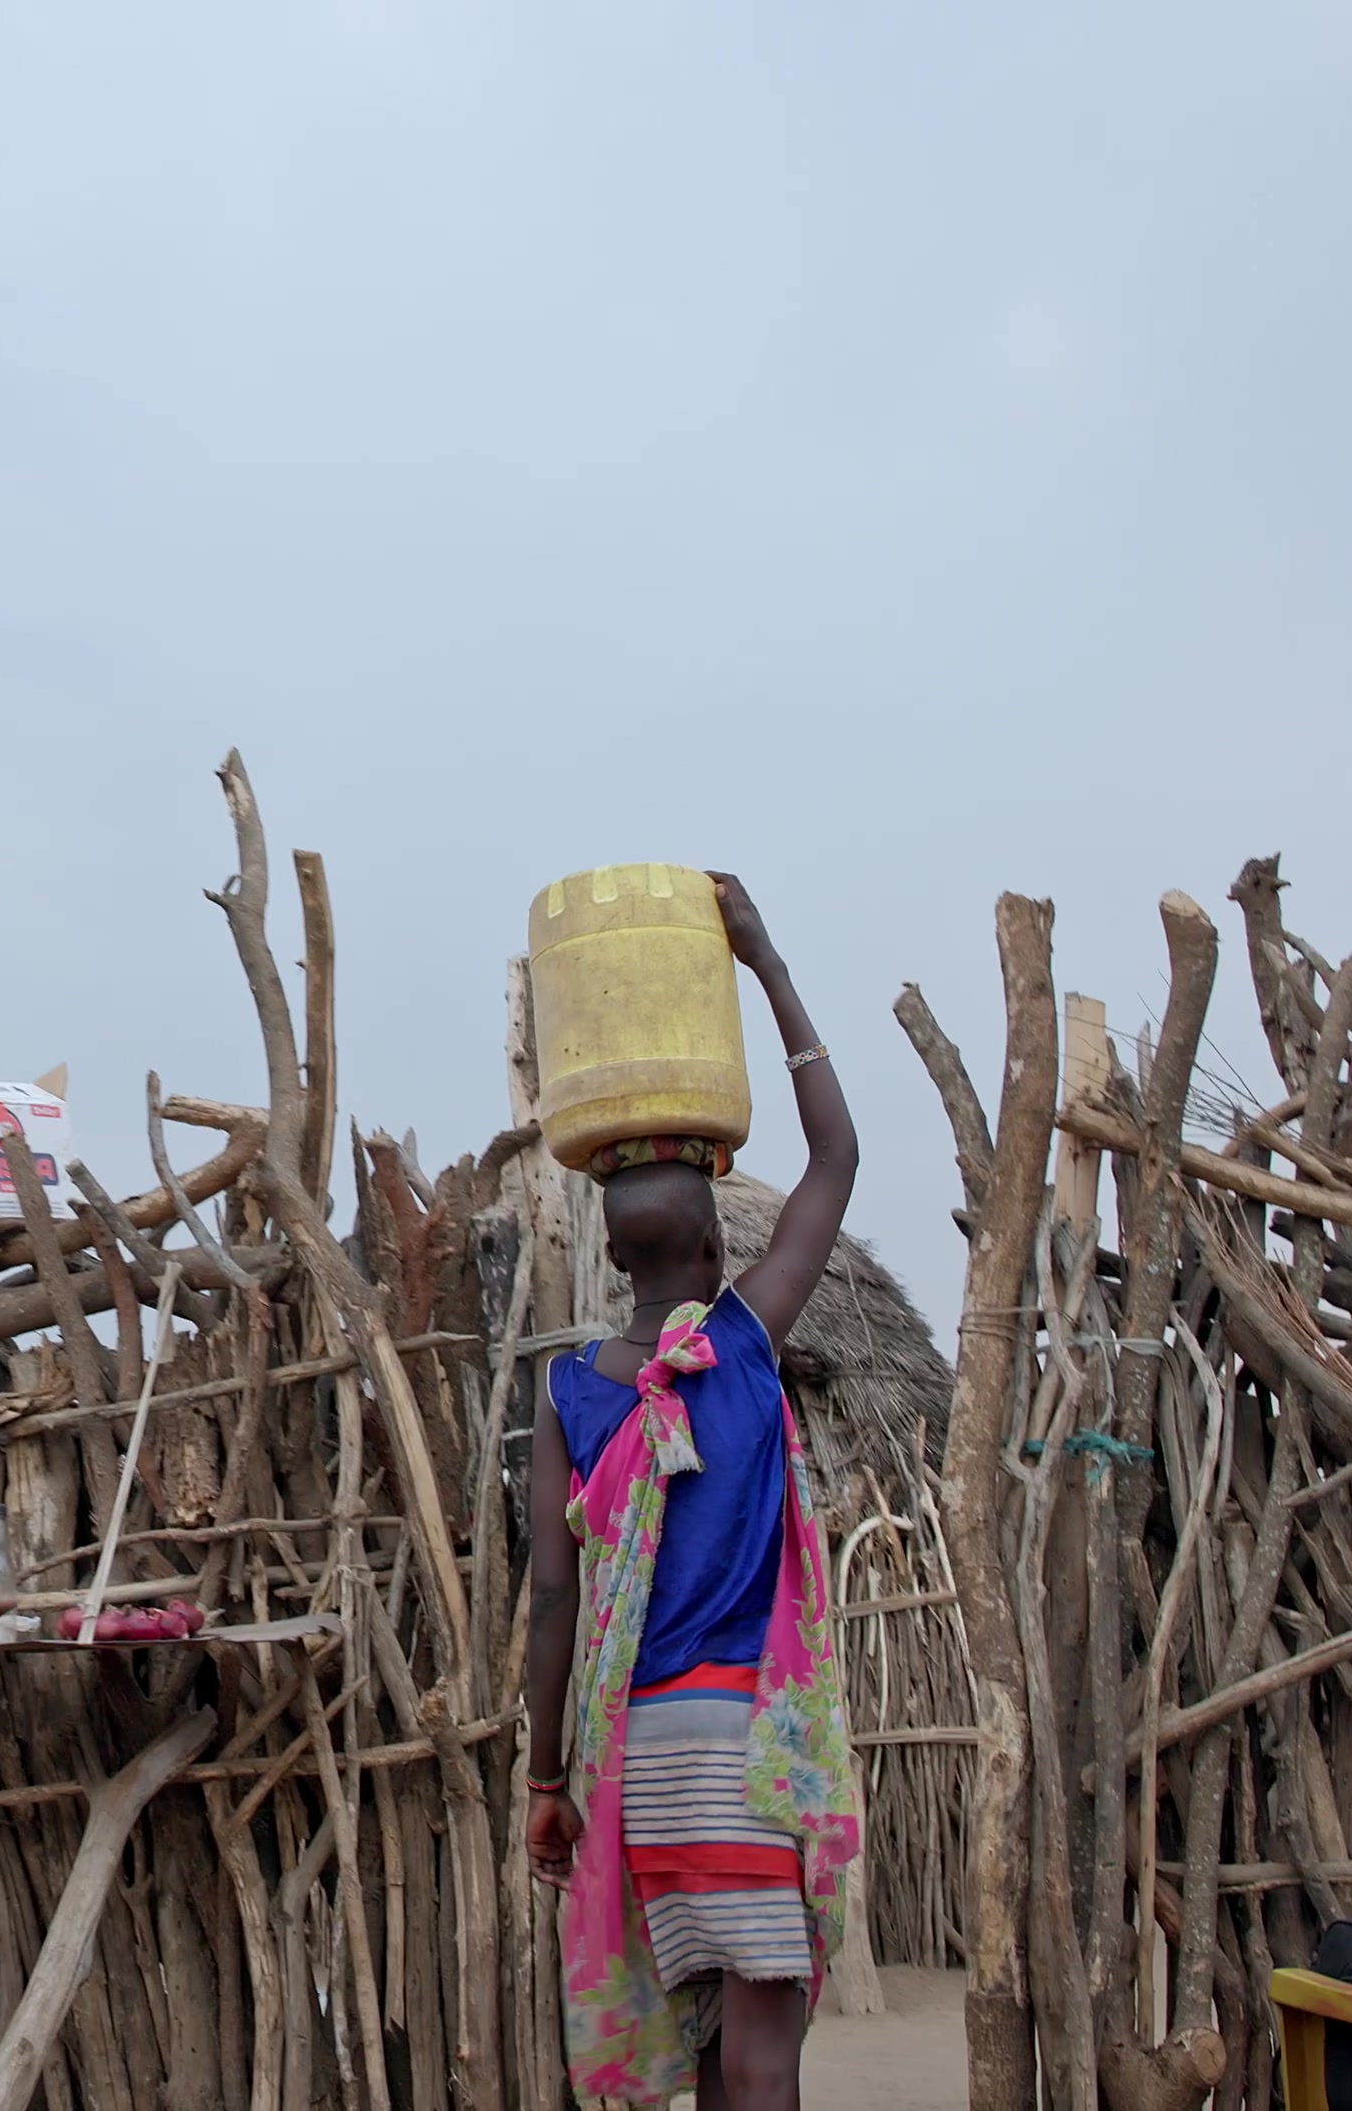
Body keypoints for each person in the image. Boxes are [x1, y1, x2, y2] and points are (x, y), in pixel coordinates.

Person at [520, 874, 863, 2111]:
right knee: (767, 2060)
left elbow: (552, 1604)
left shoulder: (569, 1396)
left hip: (643, 1761)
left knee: (717, 2055)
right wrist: (765, 960)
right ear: (718, 1254)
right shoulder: (747, 1343)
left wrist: (549, 1783)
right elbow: (837, 1155)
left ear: (615, 1260)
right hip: (749, 1750)